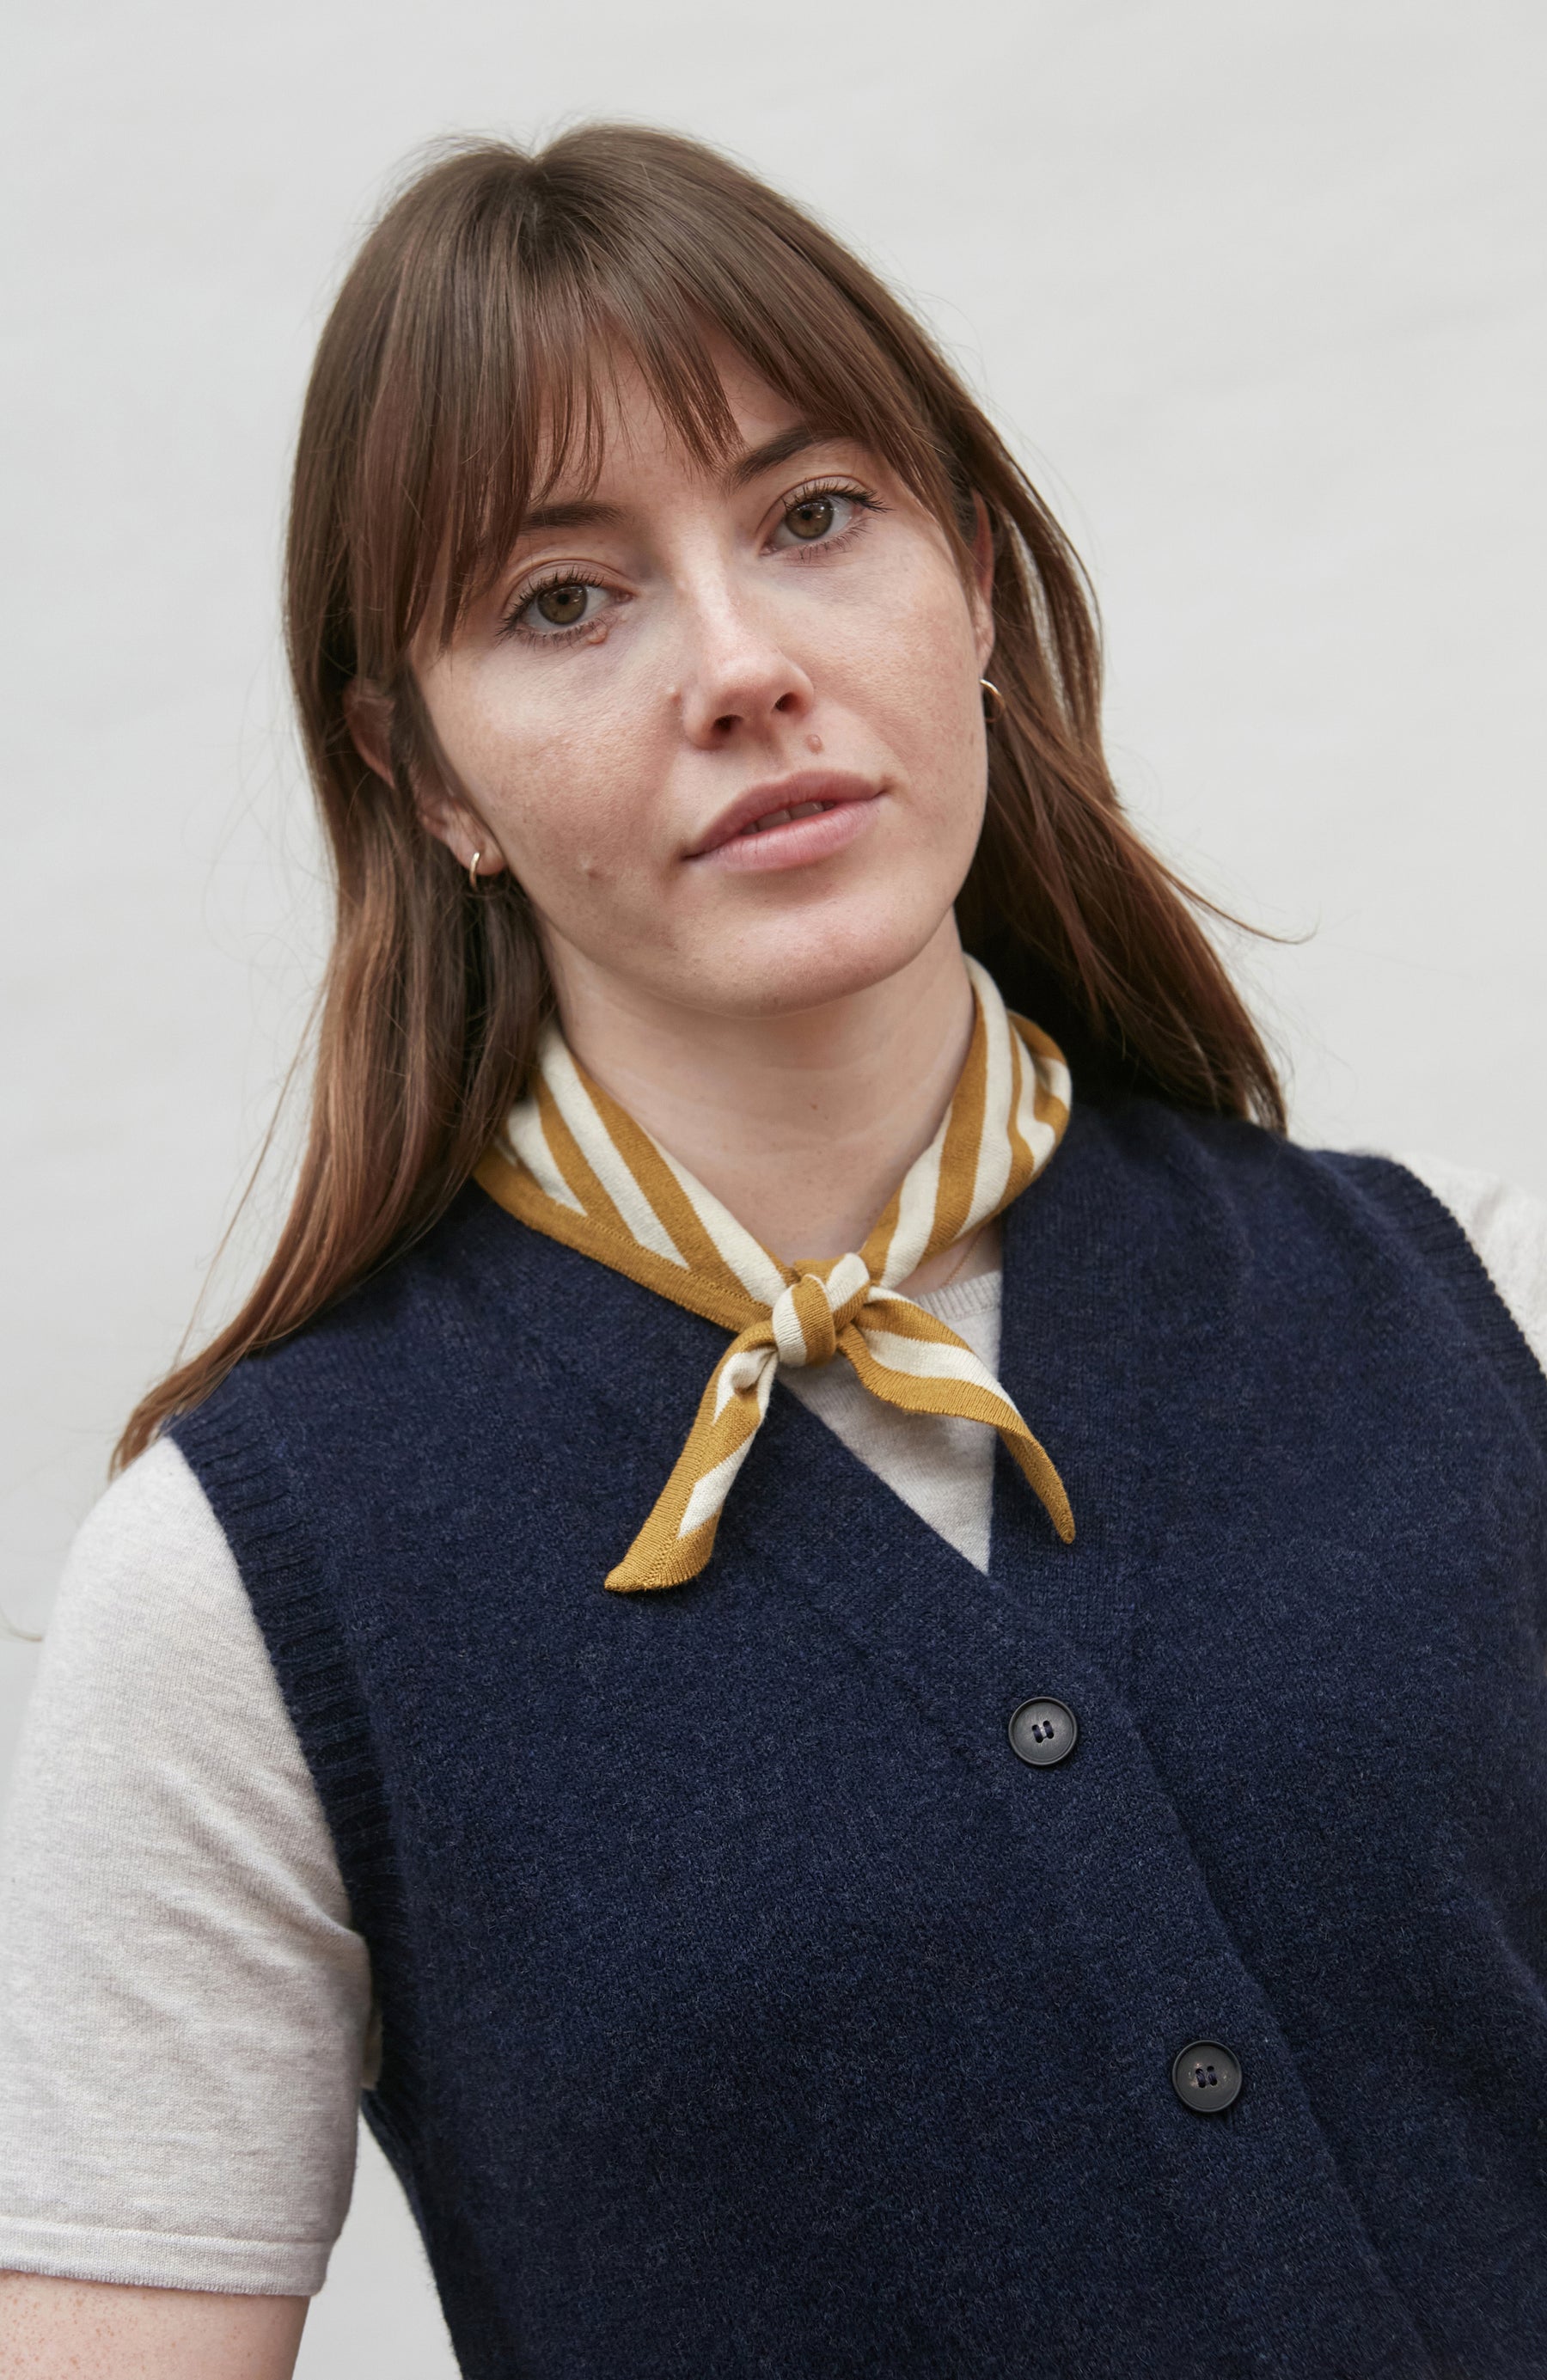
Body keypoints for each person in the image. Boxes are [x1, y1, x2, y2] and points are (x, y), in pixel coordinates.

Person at [2, 124, 1544, 2380]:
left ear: (975, 582)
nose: (738, 667)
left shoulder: (1466, 1302)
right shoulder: (247, 1588)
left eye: (815, 517)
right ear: (424, 775)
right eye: (563, 601)